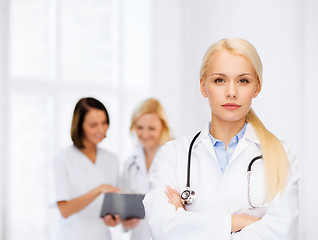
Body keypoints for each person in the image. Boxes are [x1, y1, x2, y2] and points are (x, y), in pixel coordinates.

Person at [143, 38, 300, 240]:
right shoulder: (172, 154)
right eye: (219, 80)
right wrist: (238, 222)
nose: (231, 92)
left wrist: (188, 222)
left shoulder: (281, 155)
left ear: (257, 88)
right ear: (203, 86)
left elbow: (281, 232)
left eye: (243, 80)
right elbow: (162, 228)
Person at [49, 97, 121, 240]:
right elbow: (65, 210)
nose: (101, 129)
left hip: (102, 235)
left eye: (104, 122)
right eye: (93, 125)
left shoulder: (112, 159)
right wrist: (98, 189)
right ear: (79, 125)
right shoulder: (63, 158)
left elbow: (113, 206)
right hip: (72, 235)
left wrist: (114, 220)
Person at [121, 98, 172, 240]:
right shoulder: (130, 163)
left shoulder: (175, 157)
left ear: (163, 127)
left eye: (151, 128)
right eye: (139, 128)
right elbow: (124, 206)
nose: (144, 134)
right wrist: (125, 221)